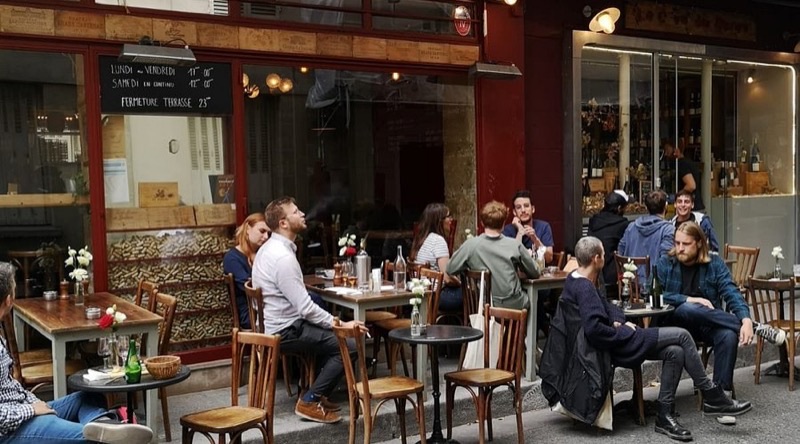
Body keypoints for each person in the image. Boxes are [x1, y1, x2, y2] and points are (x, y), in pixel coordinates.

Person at [542, 237, 752, 441]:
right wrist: (625, 331)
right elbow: (595, 330)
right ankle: (712, 395)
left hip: (614, 342)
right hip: (614, 346)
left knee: (675, 351)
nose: (605, 257)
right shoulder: (585, 288)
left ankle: (664, 415)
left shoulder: (576, 278)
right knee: (682, 335)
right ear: (596, 259)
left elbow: (606, 306)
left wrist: (619, 320)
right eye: (604, 254)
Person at [0, 262, 153, 444]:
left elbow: (11, 388)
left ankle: (106, 427)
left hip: (22, 411)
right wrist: (32, 410)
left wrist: (35, 404)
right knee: (87, 436)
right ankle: (107, 435)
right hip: (10, 430)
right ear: (8, 300)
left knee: (88, 397)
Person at [251, 197, 368, 424]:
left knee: (332, 336)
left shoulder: (270, 249)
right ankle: (310, 400)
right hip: (285, 330)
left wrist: (332, 324)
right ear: (283, 223)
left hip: (278, 325)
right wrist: (340, 324)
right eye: (296, 211)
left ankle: (317, 393)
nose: (303, 214)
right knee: (349, 345)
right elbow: (305, 308)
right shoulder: (283, 257)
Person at [656, 221, 786, 393]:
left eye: (686, 244)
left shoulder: (714, 263)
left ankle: (721, 395)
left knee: (728, 335)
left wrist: (745, 318)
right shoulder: (665, 262)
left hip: (707, 324)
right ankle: (757, 327)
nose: (680, 248)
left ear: (699, 243)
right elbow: (654, 296)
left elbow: (731, 292)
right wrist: (689, 299)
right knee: (688, 308)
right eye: (677, 243)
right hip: (675, 326)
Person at [447, 200, 540, 309]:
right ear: (503, 223)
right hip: (512, 305)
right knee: (530, 299)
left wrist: (467, 267)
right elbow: (535, 272)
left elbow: (450, 268)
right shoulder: (515, 245)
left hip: (485, 305)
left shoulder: (471, 245)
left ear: (482, 223)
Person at [410, 203, 461, 312]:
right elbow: (447, 278)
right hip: (437, 295)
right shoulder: (438, 241)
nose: (451, 220)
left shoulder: (422, 239)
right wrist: (460, 283)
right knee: (473, 295)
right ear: (439, 221)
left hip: (423, 294)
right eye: (448, 216)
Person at [223, 212, 271, 329]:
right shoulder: (232, 258)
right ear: (248, 229)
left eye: (268, 233)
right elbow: (248, 287)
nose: (266, 237)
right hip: (251, 314)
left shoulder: (263, 254)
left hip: (267, 307)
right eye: (262, 231)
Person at [618, 189, 675, 282]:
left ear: (647, 207)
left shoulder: (632, 226)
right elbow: (666, 261)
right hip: (655, 285)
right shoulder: (668, 230)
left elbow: (620, 251)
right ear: (666, 206)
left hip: (630, 283)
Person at [588, 189, 632, 298]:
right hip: (613, 279)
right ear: (619, 208)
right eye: (625, 207)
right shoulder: (623, 224)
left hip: (592, 273)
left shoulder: (594, 221)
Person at [502, 190, 554, 264]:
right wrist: (520, 232)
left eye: (526, 206)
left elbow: (549, 258)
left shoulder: (544, 227)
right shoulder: (508, 230)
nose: (523, 210)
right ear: (514, 212)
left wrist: (535, 239)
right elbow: (511, 260)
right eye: (519, 207)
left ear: (533, 209)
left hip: (539, 270)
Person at [664, 140, 705, 211]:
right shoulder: (688, 162)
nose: (666, 154)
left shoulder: (681, 164)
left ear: (676, 150)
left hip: (690, 209)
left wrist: (676, 196)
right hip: (695, 206)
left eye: (667, 150)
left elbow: (691, 186)